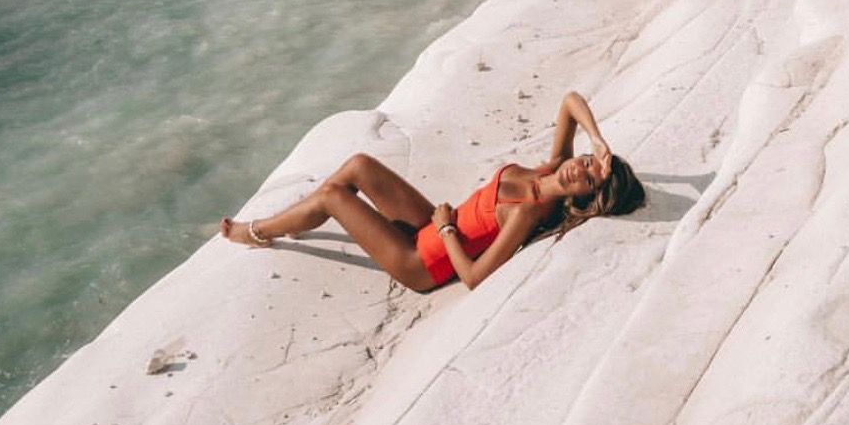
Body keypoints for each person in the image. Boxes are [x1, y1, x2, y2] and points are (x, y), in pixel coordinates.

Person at [219, 90, 644, 293]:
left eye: (588, 181)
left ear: (581, 198)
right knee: (359, 166)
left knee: (334, 197)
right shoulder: (552, 165)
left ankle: (256, 232)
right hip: (427, 226)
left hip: (421, 261)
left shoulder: (529, 212)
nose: (580, 171)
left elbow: (474, 277)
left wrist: (445, 232)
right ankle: (298, 220)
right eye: (587, 163)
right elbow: (571, 101)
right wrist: (600, 140)